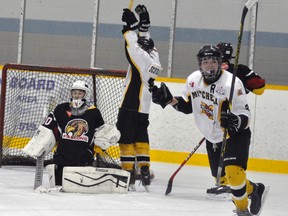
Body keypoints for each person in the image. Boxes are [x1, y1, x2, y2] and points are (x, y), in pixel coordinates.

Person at [152, 45, 268, 215]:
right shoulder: (193, 80)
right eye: (205, 62)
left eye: (213, 61)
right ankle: (255, 189)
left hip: (235, 134)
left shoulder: (232, 82)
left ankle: (242, 211)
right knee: (221, 179)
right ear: (200, 64)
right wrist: (169, 100)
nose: (209, 65)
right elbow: (187, 106)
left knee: (234, 174)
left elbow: (245, 114)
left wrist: (236, 120)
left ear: (220, 63)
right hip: (212, 137)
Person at [23, 80, 121, 187]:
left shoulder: (93, 112)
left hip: (83, 159)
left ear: (85, 94)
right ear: (71, 93)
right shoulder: (61, 109)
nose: (77, 95)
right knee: (59, 186)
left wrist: (106, 139)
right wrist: (39, 141)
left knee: (79, 188)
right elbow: (47, 128)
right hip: (62, 157)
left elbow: (101, 132)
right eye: (74, 93)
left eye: (80, 93)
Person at [206, 42, 266, 198]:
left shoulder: (236, 71)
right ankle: (225, 183)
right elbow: (259, 87)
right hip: (215, 119)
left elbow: (259, 88)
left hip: (233, 120)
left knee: (227, 155)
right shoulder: (239, 70)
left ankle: (228, 184)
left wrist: (241, 79)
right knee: (215, 152)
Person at [117, 5, 162, 191]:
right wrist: (144, 28)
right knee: (141, 138)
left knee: (126, 140)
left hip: (129, 106)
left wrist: (129, 28)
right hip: (143, 110)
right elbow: (146, 45)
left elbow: (132, 48)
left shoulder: (141, 60)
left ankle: (128, 173)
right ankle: (144, 167)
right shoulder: (155, 61)